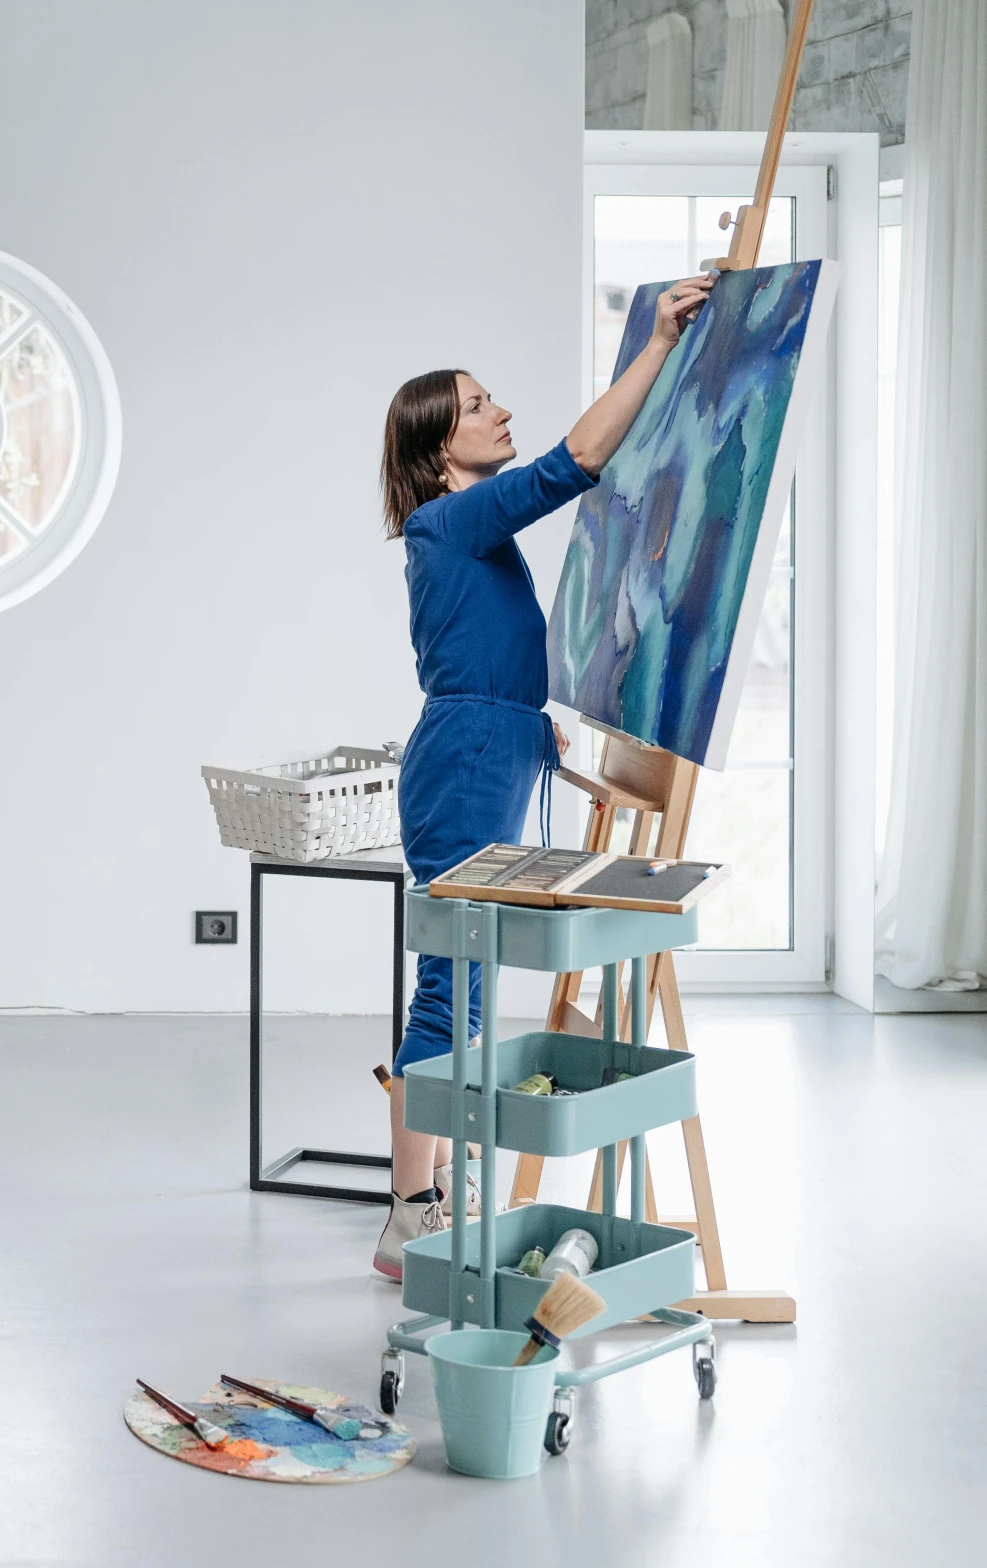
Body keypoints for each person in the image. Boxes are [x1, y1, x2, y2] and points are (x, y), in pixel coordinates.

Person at [370, 273, 714, 1279]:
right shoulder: (450, 521)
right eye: (478, 406)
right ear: (438, 458)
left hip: (491, 750)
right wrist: (652, 341)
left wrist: (538, 741)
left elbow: (492, 655)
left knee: (464, 986)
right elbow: (580, 459)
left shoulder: (465, 531)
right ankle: (408, 1212)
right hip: (468, 761)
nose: (500, 410)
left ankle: (430, 1192)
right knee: (452, 985)